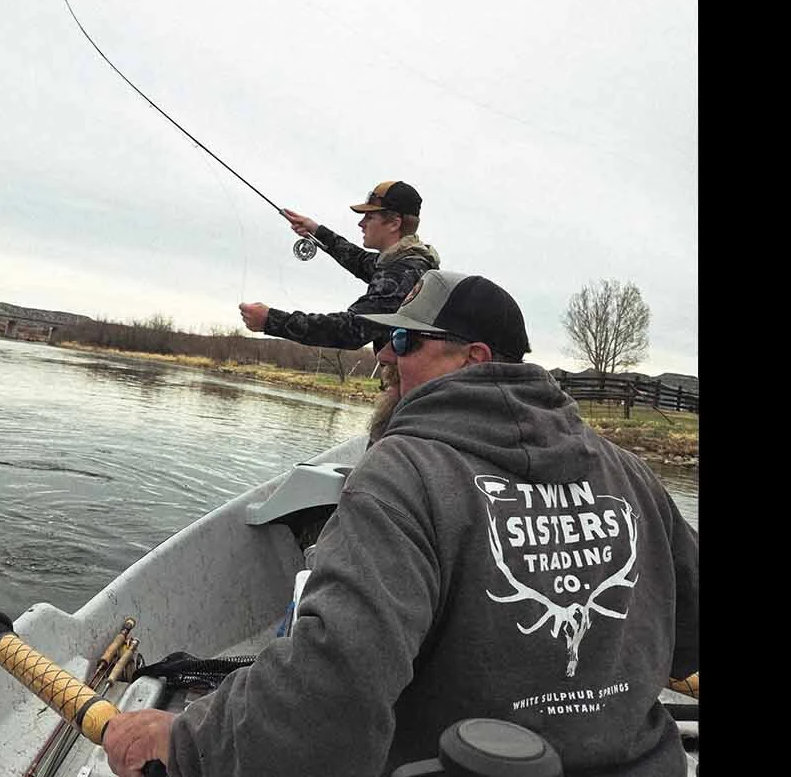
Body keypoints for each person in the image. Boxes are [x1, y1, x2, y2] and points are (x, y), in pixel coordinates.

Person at [106, 270, 701, 777]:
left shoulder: (403, 473)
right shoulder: (630, 473)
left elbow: (331, 698)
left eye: (403, 339)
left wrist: (184, 741)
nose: (383, 355)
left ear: (474, 358)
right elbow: (689, 642)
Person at [238, 180, 439, 352]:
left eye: (370, 217)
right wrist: (317, 231)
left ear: (394, 223)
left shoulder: (403, 272)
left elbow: (352, 330)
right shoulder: (406, 261)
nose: (361, 223)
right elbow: (359, 260)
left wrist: (270, 320)